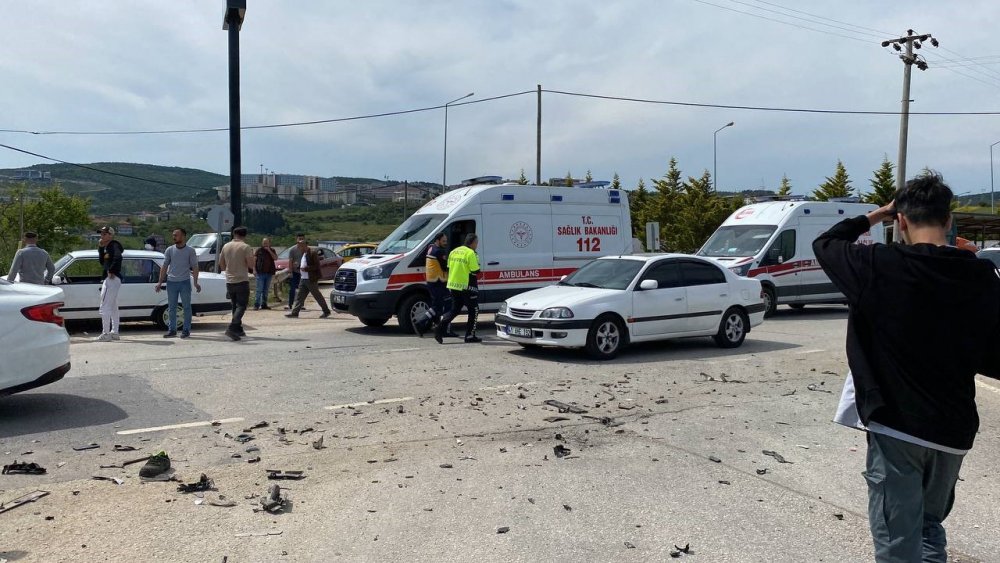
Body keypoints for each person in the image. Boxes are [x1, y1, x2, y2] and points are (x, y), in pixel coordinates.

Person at [813, 171, 1000, 563]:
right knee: (930, 527)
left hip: (897, 427)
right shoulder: (981, 276)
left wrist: (876, 214)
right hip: (953, 431)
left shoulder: (877, 265)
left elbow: (826, 243)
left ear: (901, 222)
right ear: (948, 221)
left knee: (897, 545)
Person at [435, 233, 481, 344]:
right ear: (472, 243)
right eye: (476, 243)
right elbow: (475, 270)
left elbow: (449, 267)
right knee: (474, 310)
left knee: (454, 310)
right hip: (467, 286)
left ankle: (439, 329)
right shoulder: (471, 253)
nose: (477, 245)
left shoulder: (454, 251)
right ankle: (469, 335)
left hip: (454, 285)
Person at [155, 228, 201, 338]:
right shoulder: (169, 250)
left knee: (186, 307)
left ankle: (186, 330)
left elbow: (195, 267)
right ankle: (172, 330)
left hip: (184, 282)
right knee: (172, 307)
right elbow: (164, 266)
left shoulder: (190, 251)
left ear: (183, 236)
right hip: (171, 282)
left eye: (176, 235)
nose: (174, 237)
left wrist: (195, 282)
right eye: (173, 235)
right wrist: (160, 282)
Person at [218, 226, 254, 341]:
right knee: (242, 306)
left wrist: (228, 271)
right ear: (245, 235)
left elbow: (221, 263)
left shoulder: (226, 246)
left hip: (229, 280)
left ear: (234, 234)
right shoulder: (245, 247)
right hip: (241, 279)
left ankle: (238, 328)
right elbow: (250, 265)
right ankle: (232, 327)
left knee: (235, 305)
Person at [415, 232, 453, 337]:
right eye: (443, 241)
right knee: (447, 305)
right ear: (437, 240)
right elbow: (446, 267)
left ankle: (423, 323)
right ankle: (444, 329)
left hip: (432, 282)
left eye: (446, 241)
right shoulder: (439, 252)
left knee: (437, 306)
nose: (446, 243)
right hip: (439, 282)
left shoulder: (431, 248)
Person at [285, 239, 332, 318]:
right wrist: (299, 266)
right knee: (300, 297)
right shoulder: (304, 253)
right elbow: (304, 265)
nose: (299, 248)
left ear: (304, 246)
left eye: (300, 246)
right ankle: (295, 312)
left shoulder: (312, 253)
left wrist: (306, 269)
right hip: (303, 279)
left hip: (311, 279)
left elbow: (316, 266)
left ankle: (326, 311)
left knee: (317, 296)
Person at [96, 226, 125, 342]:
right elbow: (103, 262)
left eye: (104, 234)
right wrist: (100, 248)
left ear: (110, 235)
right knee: (113, 307)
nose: (101, 236)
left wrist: (112, 270)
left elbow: (118, 257)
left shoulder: (114, 245)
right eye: (101, 234)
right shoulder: (108, 247)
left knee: (105, 306)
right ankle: (115, 332)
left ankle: (106, 333)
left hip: (112, 279)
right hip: (112, 279)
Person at [254, 238, 278, 310]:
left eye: (267, 243)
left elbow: (275, 258)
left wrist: (269, 251)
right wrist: (254, 270)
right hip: (260, 273)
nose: (265, 244)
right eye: (264, 243)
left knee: (266, 290)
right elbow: (254, 260)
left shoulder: (272, 250)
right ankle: (256, 304)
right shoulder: (258, 250)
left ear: (269, 243)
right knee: (259, 289)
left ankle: (264, 304)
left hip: (269, 273)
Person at [285, 233, 306, 310]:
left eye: (302, 239)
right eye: (299, 239)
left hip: (303, 272)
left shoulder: (306, 249)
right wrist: (290, 271)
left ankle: (301, 305)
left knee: (302, 289)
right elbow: (290, 261)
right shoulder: (292, 250)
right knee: (292, 288)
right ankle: (290, 304)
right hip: (295, 271)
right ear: (296, 239)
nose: (301, 240)